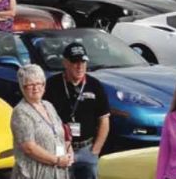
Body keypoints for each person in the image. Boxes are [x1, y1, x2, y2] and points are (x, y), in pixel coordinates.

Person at [43, 43, 110, 179]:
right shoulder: (52, 84)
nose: (79, 66)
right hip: (61, 148)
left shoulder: (94, 85)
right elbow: (43, 119)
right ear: (65, 63)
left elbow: (104, 119)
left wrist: (96, 149)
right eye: (75, 62)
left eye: (83, 62)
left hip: (87, 149)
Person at [11, 64, 71, 179]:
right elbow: (29, 148)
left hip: (57, 171)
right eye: (30, 85)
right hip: (34, 173)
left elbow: (61, 132)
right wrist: (57, 160)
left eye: (39, 83)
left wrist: (69, 152)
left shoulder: (48, 106)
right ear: (22, 87)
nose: (36, 88)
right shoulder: (21, 112)